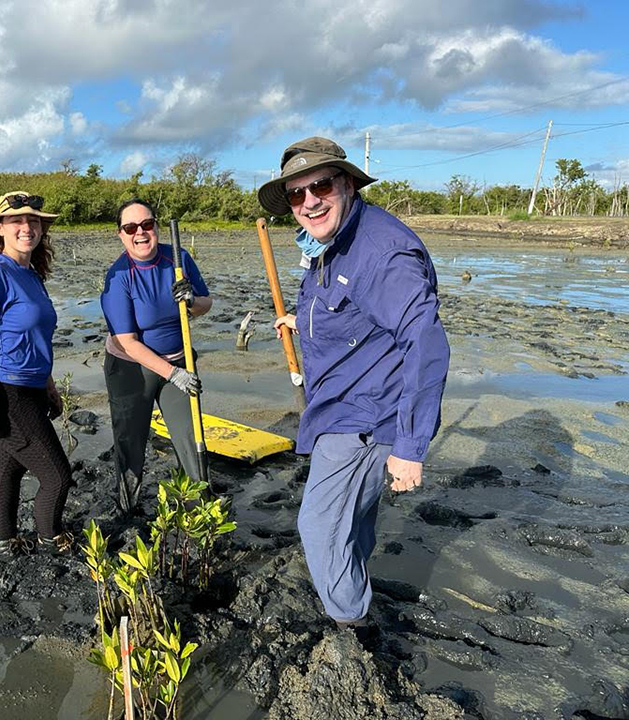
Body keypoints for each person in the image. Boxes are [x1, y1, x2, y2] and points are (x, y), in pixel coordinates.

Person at [258, 137, 450, 631]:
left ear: (345, 183)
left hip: (365, 415)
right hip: (338, 405)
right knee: (351, 520)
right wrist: (304, 321)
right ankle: (357, 595)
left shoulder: (382, 253)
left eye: (319, 186)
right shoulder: (331, 244)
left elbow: (426, 344)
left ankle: (353, 630)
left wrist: (410, 446)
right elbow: (352, 312)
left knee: (319, 525)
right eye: (297, 195)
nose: (309, 202)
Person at [0, 191, 73, 560]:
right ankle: (49, 538)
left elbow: (33, 336)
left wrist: (49, 384)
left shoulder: (30, 274)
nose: (27, 227)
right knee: (57, 476)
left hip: (32, 386)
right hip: (5, 391)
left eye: (34, 221)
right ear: (0, 228)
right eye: (17, 221)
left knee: (9, 469)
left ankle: (4, 541)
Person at [100, 199, 213, 513]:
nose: (140, 232)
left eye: (147, 225)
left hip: (180, 362)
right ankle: (128, 508)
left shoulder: (178, 259)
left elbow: (206, 303)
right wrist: (172, 374)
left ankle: (199, 509)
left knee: (190, 437)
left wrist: (191, 301)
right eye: (130, 227)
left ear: (156, 227)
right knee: (131, 441)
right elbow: (127, 342)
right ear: (120, 234)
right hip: (132, 369)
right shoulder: (119, 277)